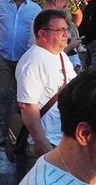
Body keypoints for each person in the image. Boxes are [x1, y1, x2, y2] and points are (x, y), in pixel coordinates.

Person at [15, 9, 77, 174]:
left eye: (66, 29)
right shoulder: (33, 62)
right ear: (42, 34)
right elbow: (27, 106)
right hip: (45, 143)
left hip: (61, 140)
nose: (66, 34)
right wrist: (41, 142)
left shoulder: (61, 56)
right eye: (60, 30)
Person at [0, 0, 41, 147]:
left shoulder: (35, 9)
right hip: (2, 56)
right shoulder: (1, 6)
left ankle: (15, 132)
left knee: (21, 99)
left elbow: (39, 32)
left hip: (24, 60)